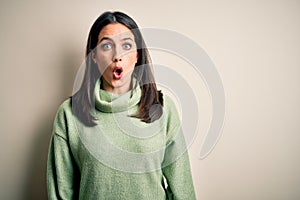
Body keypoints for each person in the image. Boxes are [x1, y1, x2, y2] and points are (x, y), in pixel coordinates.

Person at [47, 11, 196, 199]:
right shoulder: (69, 114)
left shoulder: (163, 108)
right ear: (94, 56)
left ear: (137, 56)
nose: (117, 56)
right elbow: (61, 193)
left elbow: (182, 188)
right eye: (107, 46)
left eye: (126, 45)